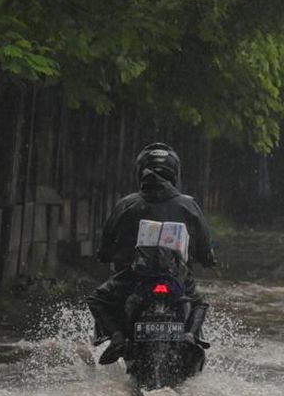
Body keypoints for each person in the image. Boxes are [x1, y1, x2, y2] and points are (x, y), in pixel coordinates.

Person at [88, 143, 216, 365]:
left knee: (98, 299)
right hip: (176, 276)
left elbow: (107, 243)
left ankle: (117, 337)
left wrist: (105, 255)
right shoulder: (188, 205)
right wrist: (207, 258)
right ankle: (191, 336)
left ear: (141, 171)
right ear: (174, 173)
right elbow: (204, 246)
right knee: (199, 303)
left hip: (133, 277)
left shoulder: (127, 204)